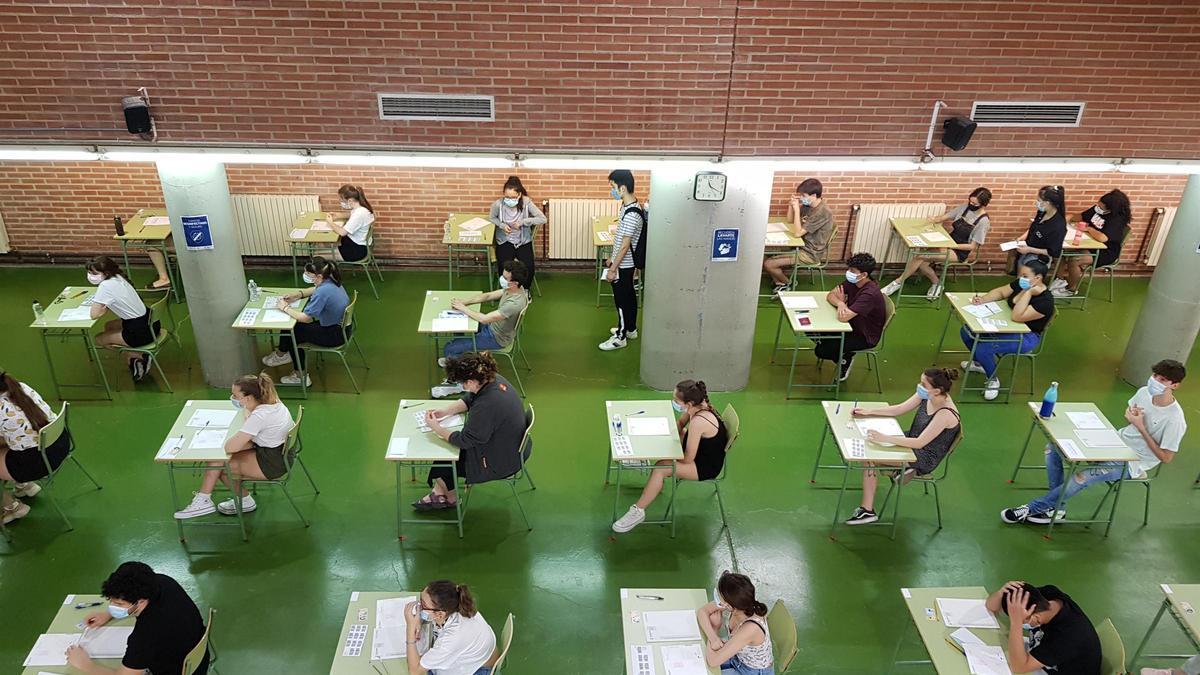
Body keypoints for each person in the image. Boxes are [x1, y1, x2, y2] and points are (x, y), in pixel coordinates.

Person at [1002, 359, 1186, 525]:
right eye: (1155, 375)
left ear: (1175, 385)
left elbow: (1166, 458)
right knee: (1053, 448)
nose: (1155, 381)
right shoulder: (1144, 392)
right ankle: (1057, 508)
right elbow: (1131, 415)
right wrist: (1131, 419)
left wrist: (1140, 428)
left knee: (1081, 477)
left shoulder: (1174, 420)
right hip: (1116, 442)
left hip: (1133, 462)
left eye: (1162, 380)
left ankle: (1032, 508)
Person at [844, 367, 962, 525]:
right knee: (871, 446)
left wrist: (885, 438)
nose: (919, 386)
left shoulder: (945, 413)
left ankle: (867, 511)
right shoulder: (927, 394)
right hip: (910, 439)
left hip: (922, 456)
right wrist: (869, 411)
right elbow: (899, 409)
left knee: (870, 457)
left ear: (936, 390)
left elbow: (920, 443)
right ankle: (904, 470)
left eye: (923, 384)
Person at [414, 353, 529, 511]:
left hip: (501, 462)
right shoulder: (493, 379)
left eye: (464, 383)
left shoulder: (487, 405)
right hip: (512, 448)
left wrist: (437, 428)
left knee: (446, 458)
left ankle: (447, 497)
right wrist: (446, 412)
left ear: (473, 381)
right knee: (449, 452)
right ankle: (442, 492)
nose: (463, 387)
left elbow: (465, 440)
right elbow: (470, 398)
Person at [173, 373, 295, 519]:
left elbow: (230, 447)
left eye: (236, 396)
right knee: (220, 459)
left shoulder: (260, 416)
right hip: (282, 453)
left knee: (219, 465)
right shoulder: (272, 401)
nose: (233, 398)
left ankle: (217, 500)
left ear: (248, 398)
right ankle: (208, 498)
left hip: (273, 463)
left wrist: (234, 438)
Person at [612, 380, 728, 533]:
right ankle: (644, 461)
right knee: (666, 440)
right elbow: (680, 423)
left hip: (704, 466)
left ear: (689, 403)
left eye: (676, 401)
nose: (674, 403)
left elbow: (687, 459)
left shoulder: (699, 422)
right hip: (698, 452)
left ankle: (638, 511)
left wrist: (666, 449)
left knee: (661, 467)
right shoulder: (697, 407)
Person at [67, 561, 209, 675]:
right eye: (111, 601)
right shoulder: (163, 582)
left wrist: (85, 665)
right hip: (199, 653)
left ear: (141, 601)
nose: (112, 605)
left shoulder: (146, 636)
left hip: (179, 669)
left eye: (119, 604)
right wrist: (109, 613)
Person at [960, 259, 1055, 401]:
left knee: (983, 348)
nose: (1019, 278)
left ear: (1037, 278)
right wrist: (984, 299)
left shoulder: (1045, 301)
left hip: (1026, 337)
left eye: (1024, 275)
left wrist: (1028, 293)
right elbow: (1001, 292)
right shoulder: (1021, 283)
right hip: (1008, 326)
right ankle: (979, 363)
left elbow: (1017, 316)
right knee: (967, 331)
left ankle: (992, 380)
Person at [881, 187, 992, 300]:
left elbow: (972, 246)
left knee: (920, 257)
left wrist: (949, 245)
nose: (971, 204)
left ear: (983, 204)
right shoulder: (965, 208)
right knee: (921, 261)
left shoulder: (983, 221)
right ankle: (937, 283)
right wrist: (934, 219)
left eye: (975, 203)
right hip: (946, 243)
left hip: (959, 251)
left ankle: (896, 283)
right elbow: (944, 217)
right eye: (970, 201)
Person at [260, 256, 350, 387]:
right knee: (294, 326)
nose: (307, 276)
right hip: (342, 328)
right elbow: (315, 289)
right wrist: (298, 294)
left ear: (319, 276)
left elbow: (305, 318)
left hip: (333, 335)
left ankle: (300, 375)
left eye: (309, 274)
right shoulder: (332, 280)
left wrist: (284, 307)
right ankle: (282, 354)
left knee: (293, 331)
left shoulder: (323, 292)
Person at [984, 581, 1101, 675]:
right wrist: (1001, 592)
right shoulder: (1046, 595)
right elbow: (991, 606)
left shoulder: (1066, 636)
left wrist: (1016, 623)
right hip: (1044, 658)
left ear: (1036, 618)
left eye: (1022, 620)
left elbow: (1018, 668)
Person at [0, 371, 69, 525]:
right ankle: (24, 486)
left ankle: (12, 508)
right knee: (14, 438)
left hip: (37, 463)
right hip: (59, 443)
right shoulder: (19, 387)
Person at [439, 259, 531, 364]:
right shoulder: (514, 288)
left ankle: (460, 369)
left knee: (449, 348)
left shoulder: (514, 304)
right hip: (492, 327)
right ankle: (461, 353)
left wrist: (463, 308)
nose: (502, 279)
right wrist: (465, 302)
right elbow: (488, 296)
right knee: (459, 325)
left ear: (514, 283)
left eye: (505, 278)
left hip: (495, 337)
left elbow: (484, 319)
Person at [813, 252, 886, 382]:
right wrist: (841, 303)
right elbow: (830, 295)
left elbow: (843, 318)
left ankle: (845, 358)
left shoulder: (869, 294)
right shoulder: (853, 282)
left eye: (852, 270)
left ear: (864, 275)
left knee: (821, 351)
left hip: (863, 335)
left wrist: (843, 306)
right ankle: (841, 352)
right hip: (851, 324)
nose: (848, 272)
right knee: (811, 329)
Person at [87, 256, 161, 382]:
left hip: (139, 333)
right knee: (109, 326)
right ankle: (138, 356)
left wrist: (104, 309)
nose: (90, 276)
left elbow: (94, 314)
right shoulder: (118, 277)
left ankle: (137, 357)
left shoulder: (105, 286)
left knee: (99, 339)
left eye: (94, 273)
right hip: (151, 323)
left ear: (106, 273)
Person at [403, 580, 497, 675]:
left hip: (477, 669)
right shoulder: (459, 605)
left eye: (423, 605)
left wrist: (410, 628)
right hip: (479, 656)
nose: (419, 607)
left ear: (440, 614)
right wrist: (420, 619)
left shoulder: (451, 638)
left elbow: (415, 671)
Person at [1052, 189, 1131, 298]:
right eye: (1098, 204)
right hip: (1089, 242)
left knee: (1075, 260)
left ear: (1110, 209)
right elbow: (1080, 216)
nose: (1098, 206)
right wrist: (1067, 218)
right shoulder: (1097, 210)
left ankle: (1071, 289)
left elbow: (1103, 238)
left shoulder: (1116, 221)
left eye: (1101, 206)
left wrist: (1088, 229)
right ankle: (1059, 280)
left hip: (1105, 250)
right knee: (1058, 250)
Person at [763, 178, 834, 297]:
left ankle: (788, 283)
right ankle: (779, 282)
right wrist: (791, 207)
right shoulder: (809, 205)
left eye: (803, 195)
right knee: (764, 255)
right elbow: (791, 221)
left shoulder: (822, 212)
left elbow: (797, 233)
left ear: (814, 195)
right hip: (800, 244)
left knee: (769, 264)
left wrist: (797, 210)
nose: (801, 198)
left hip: (810, 253)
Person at [599, 169, 644, 351]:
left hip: (624, 265)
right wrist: (611, 258)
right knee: (629, 297)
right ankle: (630, 328)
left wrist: (612, 269)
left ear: (623, 188)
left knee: (621, 302)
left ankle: (620, 337)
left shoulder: (632, 213)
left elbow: (626, 245)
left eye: (613, 187)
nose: (612, 191)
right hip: (622, 263)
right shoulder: (627, 207)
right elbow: (622, 239)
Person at [696, 572, 775, 674]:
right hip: (738, 659)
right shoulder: (739, 604)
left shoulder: (750, 628)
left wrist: (715, 628)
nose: (717, 599)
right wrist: (713, 638)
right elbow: (703, 612)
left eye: (719, 597)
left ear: (729, 606)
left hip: (752, 671)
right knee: (701, 659)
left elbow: (713, 661)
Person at [488, 176, 546, 288]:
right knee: (503, 267)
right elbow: (491, 218)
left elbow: (542, 219)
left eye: (513, 197)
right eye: (507, 197)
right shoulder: (498, 204)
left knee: (528, 266)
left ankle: (525, 290)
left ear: (519, 195)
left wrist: (523, 222)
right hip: (505, 241)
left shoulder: (526, 202)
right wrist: (502, 225)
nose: (509, 200)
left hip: (523, 241)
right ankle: (507, 290)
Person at [1006, 185, 1067, 275]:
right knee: (1019, 278)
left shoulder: (1058, 226)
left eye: (1039, 201)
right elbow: (1034, 227)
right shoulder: (1042, 213)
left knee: (1025, 280)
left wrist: (1029, 250)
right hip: (1027, 250)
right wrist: (1021, 238)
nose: (1036, 203)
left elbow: (1053, 252)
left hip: (1038, 257)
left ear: (1048, 202)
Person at [328, 184, 376, 263]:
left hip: (356, 251)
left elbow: (342, 232)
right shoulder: (362, 208)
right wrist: (338, 215)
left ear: (349, 200)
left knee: (317, 255)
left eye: (342, 200)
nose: (341, 202)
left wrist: (330, 223)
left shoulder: (359, 214)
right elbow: (351, 214)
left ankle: (330, 274)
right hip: (357, 244)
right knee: (325, 245)